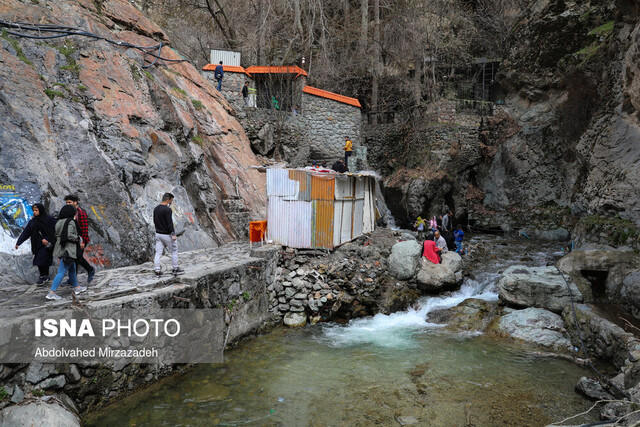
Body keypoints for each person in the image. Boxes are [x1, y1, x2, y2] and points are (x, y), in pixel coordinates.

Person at [47, 205, 87, 300]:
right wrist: (77, 238)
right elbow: (70, 235)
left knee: (72, 268)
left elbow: (57, 234)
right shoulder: (71, 222)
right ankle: (51, 292)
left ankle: (77, 287)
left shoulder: (59, 221)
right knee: (61, 271)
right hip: (68, 249)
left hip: (60, 248)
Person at [15, 203, 56, 284]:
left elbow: (54, 231)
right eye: (33, 210)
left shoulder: (49, 220)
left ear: (41, 210)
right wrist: (18, 243)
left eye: (36, 210)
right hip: (36, 245)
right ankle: (44, 276)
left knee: (42, 260)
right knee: (40, 260)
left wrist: (47, 239)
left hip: (46, 245)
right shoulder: (33, 221)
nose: (34, 212)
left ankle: (43, 276)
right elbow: (26, 233)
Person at [64, 195, 96, 284]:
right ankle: (72, 279)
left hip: (80, 240)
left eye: (69, 202)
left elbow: (85, 228)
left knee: (77, 258)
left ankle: (90, 270)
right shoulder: (69, 212)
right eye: (66, 202)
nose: (67, 204)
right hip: (72, 239)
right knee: (74, 258)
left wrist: (83, 241)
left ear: (75, 202)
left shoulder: (80, 213)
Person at [153, 193, 184, 276]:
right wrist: (173, 234)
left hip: (158, 234)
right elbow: (169, 223)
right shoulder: (167, 210)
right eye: (171, 200)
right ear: (167, 200)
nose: (171, 202)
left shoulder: (156, 209)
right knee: (174, 250)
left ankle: (157, 270)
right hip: (166, 235)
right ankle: (175, 268)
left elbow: (155, 221)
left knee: (158, 252)